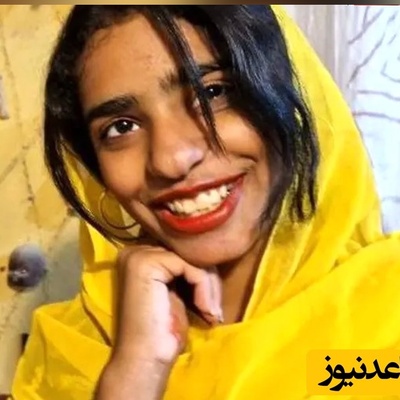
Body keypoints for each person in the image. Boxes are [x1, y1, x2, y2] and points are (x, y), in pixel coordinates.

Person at [11, 5, 400, 400]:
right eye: (121, 127)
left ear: (289, 92)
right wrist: (135, 373)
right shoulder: (68, 354)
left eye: (211, 92)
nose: (171, 159)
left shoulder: (387, 316)